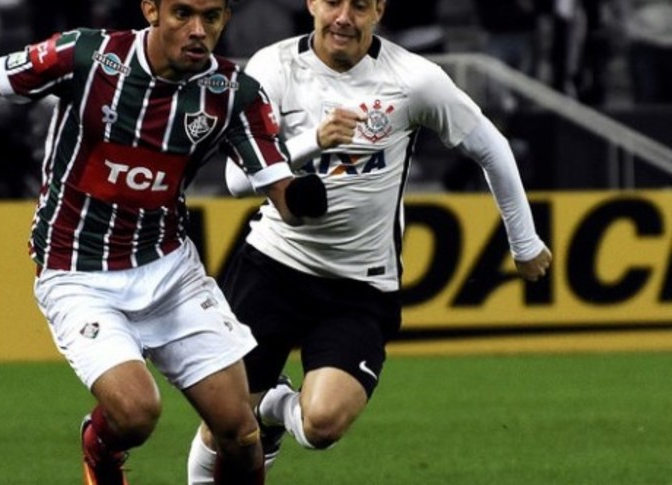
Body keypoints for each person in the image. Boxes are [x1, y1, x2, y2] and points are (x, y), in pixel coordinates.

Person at [0, 0, 330, 483]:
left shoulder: (233, 93)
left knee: (240, 433)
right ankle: (99, 448)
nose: (198, 30)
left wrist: (303, 197)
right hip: (76, 271)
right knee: (136, 413)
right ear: (151, 10)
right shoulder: (88, 57)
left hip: (169, 270)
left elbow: (282, 194)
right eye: (183, 13)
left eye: (211, 17)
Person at [187, 0, 553, 483]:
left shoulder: (414, 79)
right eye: (332, 2)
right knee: (225, 425)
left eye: (359, 5)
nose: (344, 17)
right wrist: (314, 141)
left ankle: (273, 408)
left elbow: (491, 146)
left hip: (360, 284)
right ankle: (257, 410)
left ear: (378, 10)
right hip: (272, 267)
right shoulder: (273, 68)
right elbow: (237, 180)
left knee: (321, 425)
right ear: (311, 4)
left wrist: (524, 242)